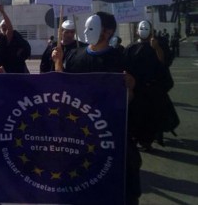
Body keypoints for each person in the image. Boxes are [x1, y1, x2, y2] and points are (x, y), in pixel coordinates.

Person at [54, 12, 139, 205]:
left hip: (110, 137)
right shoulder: (75, 56)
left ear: (107, 32)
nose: (85, 32)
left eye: (92, 28)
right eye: (86, 27)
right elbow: (64, 89)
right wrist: (58, 63)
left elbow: (129, 99)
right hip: (79, 138)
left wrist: (131, 86)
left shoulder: (120, 58)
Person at [125, 20, 175, 150]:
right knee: (136, 116)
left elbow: (165, 62)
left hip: (154, 88)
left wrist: (157, 48)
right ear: (136, 31)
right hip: (138, 88)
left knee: (152, 115)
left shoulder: (159, 45)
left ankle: (149, 140)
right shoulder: (131, 47)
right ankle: (137, 139)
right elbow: (126, 68)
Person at [0, 4, 31, 73]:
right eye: (2, 26)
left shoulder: (13, 37)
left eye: (5, 25)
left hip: (16, 71)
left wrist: (3, 12)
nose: (4, 27)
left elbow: (9, 29)